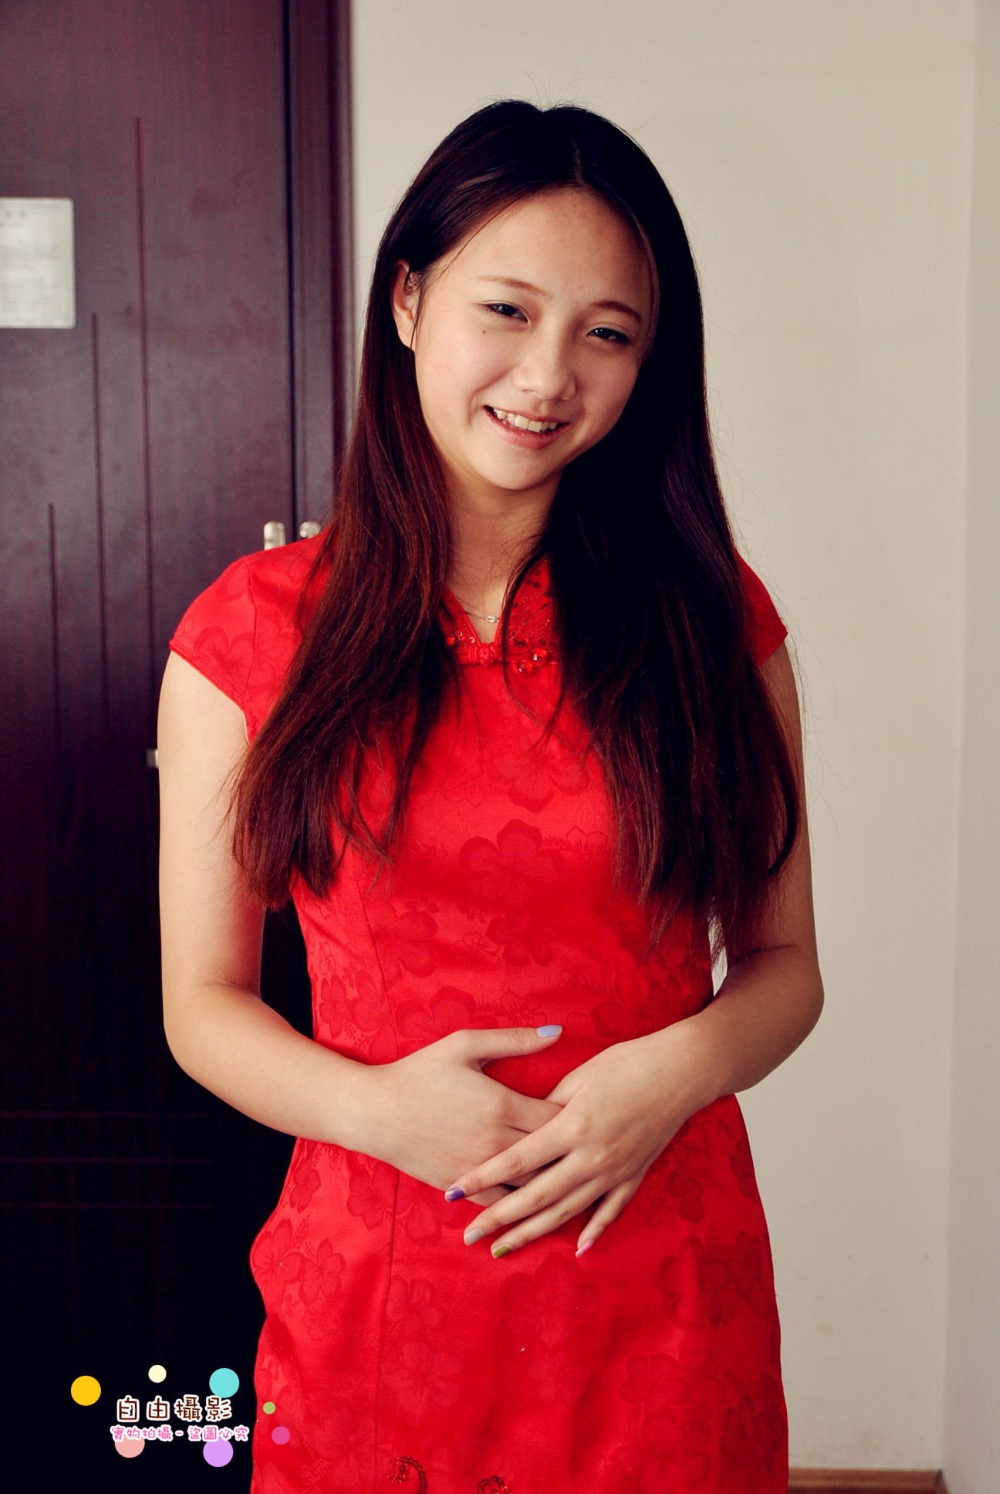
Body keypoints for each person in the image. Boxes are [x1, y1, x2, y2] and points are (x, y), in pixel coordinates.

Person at [159, 100, 823, 1493]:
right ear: (408, 301)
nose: (548, 374)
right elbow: (203, 1006)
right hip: (384, 1283)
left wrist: (672, 1071)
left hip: (656, 1288)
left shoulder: (715, 625)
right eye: (507, 310)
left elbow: (784, 971)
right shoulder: (252, 632)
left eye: (608, 333)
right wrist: (382, 1113)